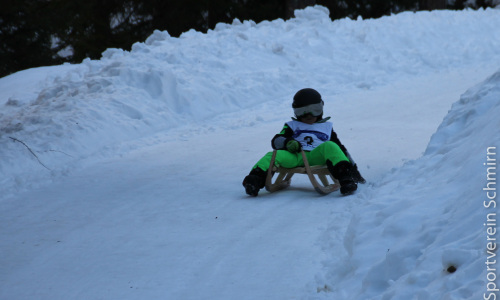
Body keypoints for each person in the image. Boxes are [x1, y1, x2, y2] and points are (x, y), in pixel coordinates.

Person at [242, 88, 365, 197]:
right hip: (296, 156)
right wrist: (288, 142)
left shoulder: (326, 127)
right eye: (302, 111)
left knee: (331, 146)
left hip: (317, 156)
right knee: (273, 155)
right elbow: (276, 140)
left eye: (314, 110)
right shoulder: (292, 125)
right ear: (295, 111)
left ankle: (346, 180)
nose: (308, 115)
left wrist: (354, 171)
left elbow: (340, 150)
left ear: (321, 108)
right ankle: (254, 181)